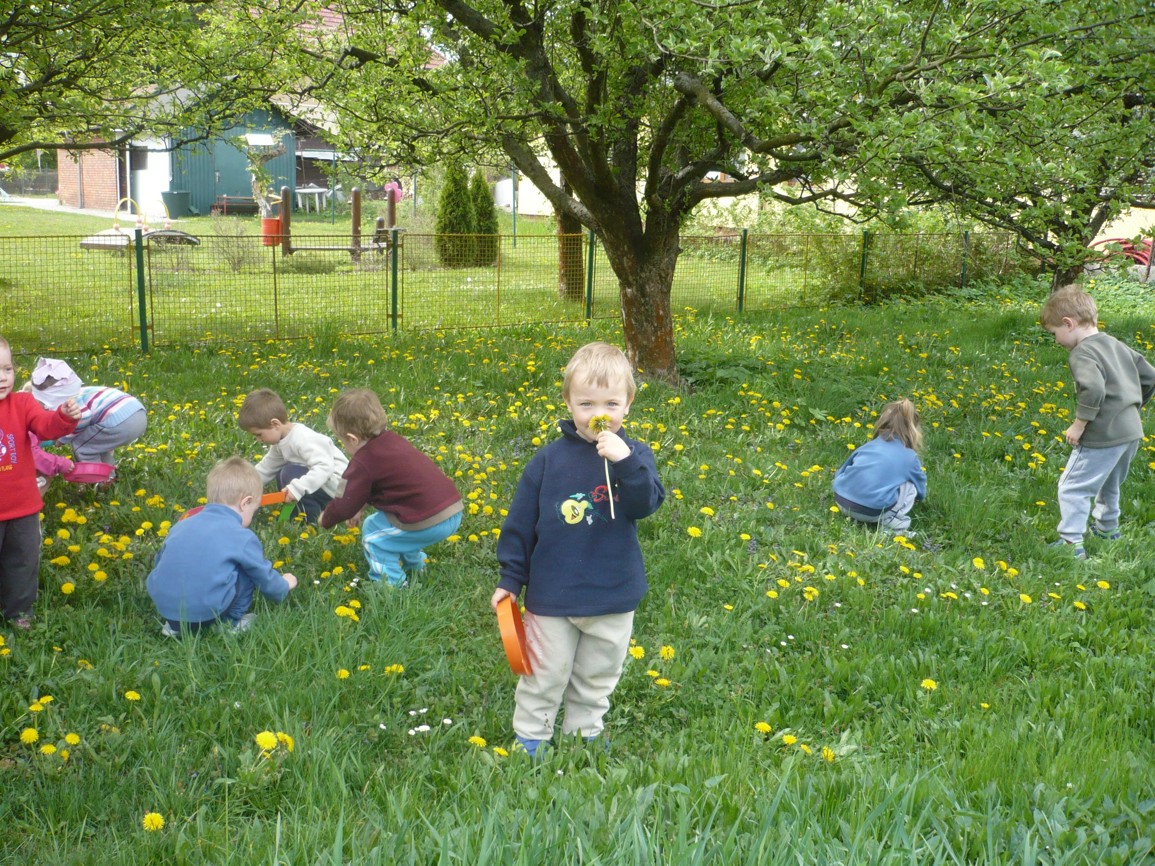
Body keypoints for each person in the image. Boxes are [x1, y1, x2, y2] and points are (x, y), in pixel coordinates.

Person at [492, 342, 666, 758]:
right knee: (544, 671)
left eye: (611, 404)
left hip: (613, 593)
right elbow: (521, 523)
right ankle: (532, 736)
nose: (597, 414)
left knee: (598, 673)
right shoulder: (548, 461)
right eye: (586, 404)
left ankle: (584, 732)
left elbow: (646, 505)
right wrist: (511, 578)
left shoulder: (636, 456)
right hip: (553, 593)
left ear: (628, 405)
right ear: (568, 403)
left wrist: (625, 462)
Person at [1040, 285, 1155, 559]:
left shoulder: (1082, 353)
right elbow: (1150, 377)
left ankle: (1071, 542)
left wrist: (1079, 424)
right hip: (1130, 433)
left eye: (1054, 333)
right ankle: (1107, 529)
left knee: (1073, 486)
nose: (1056, 341)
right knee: (1109, 483)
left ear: (1068, 323)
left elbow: (1092, 389)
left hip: (1102, 434)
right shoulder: (1115, 344)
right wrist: (1131, 407)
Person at [319, 388, 463, 586]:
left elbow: (345, 503)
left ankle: (392, 587)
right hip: (451, 509)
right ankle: (417, 568)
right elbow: (377, 485)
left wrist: (326, 519)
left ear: (352, 439)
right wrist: (359, 508)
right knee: (392, 526)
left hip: (428, 520)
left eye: (342, 440)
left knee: (374, 533)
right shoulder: (393, 440)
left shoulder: (362, 462)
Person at [146, 457, 298, 637]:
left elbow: (160, 561)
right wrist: (283, 585)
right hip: (208, 612)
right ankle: (229, 623)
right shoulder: (241, 536)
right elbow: (262, 575)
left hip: (166, 610)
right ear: (245, 503)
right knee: (246, 569)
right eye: (254, 510)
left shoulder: (181, 525)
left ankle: (175, 627)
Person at [0, 336, 81, 629]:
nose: (3, 377)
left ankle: (19, 611)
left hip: (23, 507)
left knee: (23, 561)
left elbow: (46, 426)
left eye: (7, 369)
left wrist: (63, 417)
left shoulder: (22, 403)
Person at [238, 388, 349, 524]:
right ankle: (300, 511)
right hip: (323, 485)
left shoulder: (303, 438)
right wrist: (245, 488)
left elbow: (325, 467)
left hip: (341, 491)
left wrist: (297, 488)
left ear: (275, 424)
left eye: (259, 434)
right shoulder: (281, 443)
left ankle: (308, 519)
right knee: (282, 473)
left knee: (289, 473)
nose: (258, 440)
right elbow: (266, 468)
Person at [27, 357, 147, 472]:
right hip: (136, 411)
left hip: (119, 421)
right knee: (95, 443)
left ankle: (97, 478)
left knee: (83, 447)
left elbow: (83, 417)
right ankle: (109, 473)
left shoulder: (69, 405)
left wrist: (63, 439)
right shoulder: (76, 393)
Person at [833, 398, 927, 533]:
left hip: (841, 502)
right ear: (913, 430)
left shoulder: (868, 446)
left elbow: (840, 472)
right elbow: (920, 488)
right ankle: (895, 526)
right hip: (872, 512)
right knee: (910, 486)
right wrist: (920, 498)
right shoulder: (910, 457)